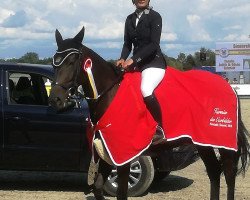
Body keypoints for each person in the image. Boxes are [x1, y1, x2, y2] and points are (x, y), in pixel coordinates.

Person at [116, 0, 166, 137]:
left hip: (153, 63)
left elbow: (154, 44)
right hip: (137, 65)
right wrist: (122, 58)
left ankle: (160, 128)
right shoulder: (129, 19)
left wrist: (133, 59)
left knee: (145, 89)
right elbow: (127, 43)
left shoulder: (155, 16)